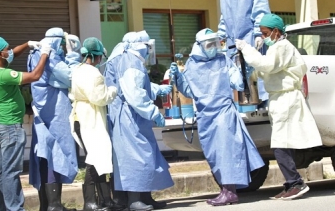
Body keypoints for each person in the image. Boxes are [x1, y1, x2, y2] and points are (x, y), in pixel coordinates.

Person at [170, 28, 265, 206]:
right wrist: (178, 78)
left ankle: (230, 191)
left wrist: (244, 67)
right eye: (209, 44)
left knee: (226, 152)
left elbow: (236, 83)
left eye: (216, 43)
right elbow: (190, 91)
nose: (214, 47)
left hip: (223, 113)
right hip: (206, 117)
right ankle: (225, 190)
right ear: (199, 46)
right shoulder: (191, 64)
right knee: (214, 155)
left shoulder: (223, 60)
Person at [235, 14, 322, 200]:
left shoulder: (283, 47)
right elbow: (264, 71)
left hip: (287, 99)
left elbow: (267, 66)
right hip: (279, 100)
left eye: (265, 33)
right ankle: (292, 182)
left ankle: (296, 182)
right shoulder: (276, 48)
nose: (263, 36)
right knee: (284, 143)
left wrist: (248, 49)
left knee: (280, 144)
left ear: (276, 31)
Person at [104, 31, 174, 211]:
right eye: (148, 46)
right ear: (140, 45)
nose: (149, 50)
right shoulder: (130, 60)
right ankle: (134, 201)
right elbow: (134, 94)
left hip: (133, 116)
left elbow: (138, 85)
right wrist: (153, 112)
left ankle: (146, 197)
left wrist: (157, 89)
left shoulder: (126, 58)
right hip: (129, 116)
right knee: (135, 157)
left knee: (146, 155)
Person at [0, 36, 51, 211]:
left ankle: (0, 208)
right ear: (0, 53)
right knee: (11, 172)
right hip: (11, 128)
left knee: (0, 171)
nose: (10, 51)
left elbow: (13, 54)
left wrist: (28, 44)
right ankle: (15, 208)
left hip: (0, 127)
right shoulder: (4, 75)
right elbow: (35, 76)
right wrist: (44, 54)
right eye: (7, 49)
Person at [27, 27, 81, 211]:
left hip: (42, 114)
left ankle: (46, 205)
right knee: (54, 156)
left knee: (45, 156)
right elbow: (70, 76)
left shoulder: (36, 54)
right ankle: (54, 205)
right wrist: (73, 55)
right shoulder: (50, 56)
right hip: (54, 113)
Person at [70, 37, 123, 211]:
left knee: (98, 158)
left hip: (80, 117)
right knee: (94, 160)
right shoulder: (93, 73)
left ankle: (106, 200)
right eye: (100, 56)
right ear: (96, 56)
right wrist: (113, 91)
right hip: (90, 119)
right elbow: (99, 98)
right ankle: (90, 202)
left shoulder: (77, 69)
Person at [218, 0, 271, 104]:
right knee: (235, 75)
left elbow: (260, 11)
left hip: (250, 39)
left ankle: (261, 103)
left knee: (254, 73)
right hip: (231, 42)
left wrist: (259, 33)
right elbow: (225, 15)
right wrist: (221, 35)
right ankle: (239, 102)